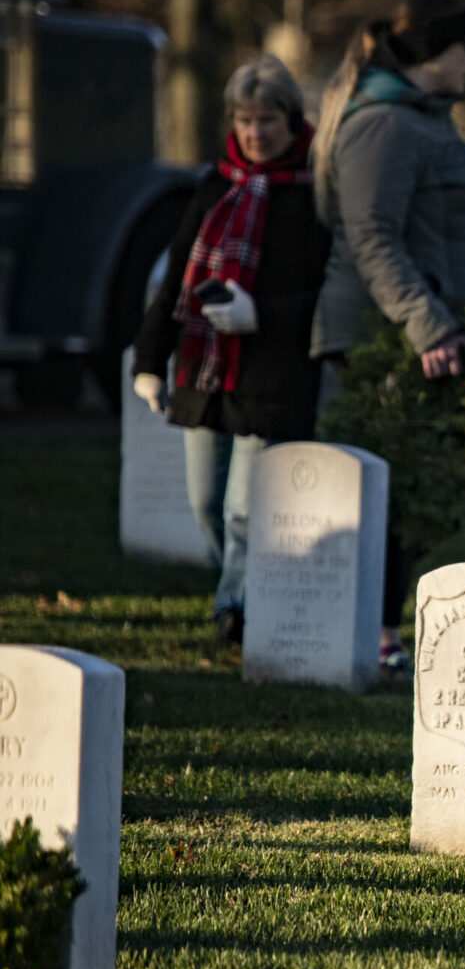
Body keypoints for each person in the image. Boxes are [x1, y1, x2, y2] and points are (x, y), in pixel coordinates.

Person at [310, 0, 465, 673]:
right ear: (434, 53)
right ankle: (376, 636)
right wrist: (427, 326)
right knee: (389, 494)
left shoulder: (427, 122)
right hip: (383, 340)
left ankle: (386, 632)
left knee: (415, 495)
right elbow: (372, 238)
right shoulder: (383, 126)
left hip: (429, 336)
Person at [132, 55, 331, 646]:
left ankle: (236, 606)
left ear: (291, 120)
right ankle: (240, 588)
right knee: (207, 500)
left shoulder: (313, 192)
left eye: (266, 120)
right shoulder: (217, 183)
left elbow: (322, 290)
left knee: (247, 505)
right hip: (206, 367)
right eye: (244, 120)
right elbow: (176, 280)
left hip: (272, 372)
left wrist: (261, 314)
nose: (254, 133)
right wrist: (149, 359)